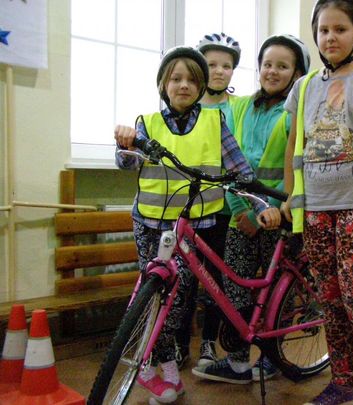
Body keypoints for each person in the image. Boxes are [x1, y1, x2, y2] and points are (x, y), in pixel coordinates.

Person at [114, 45, 281, 404]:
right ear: (163, 84)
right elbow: (128, 163)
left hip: (193, 225)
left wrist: (260, 201)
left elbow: (240, 169)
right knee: (152, 296)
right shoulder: (147, 123)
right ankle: (153, 369)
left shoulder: (213, 121)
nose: (184, 85)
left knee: (176, 301)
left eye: (192, 80)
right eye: (175, 79)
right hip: (150, 223)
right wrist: (124, 141)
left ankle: (166, 371)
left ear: (201, 86)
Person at [281, 1, 353, 404]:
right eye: (323, 30)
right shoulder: (303, 87)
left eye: (340, 29)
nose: (330, 37)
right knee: (328, 302)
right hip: (314, 211)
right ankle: (342, 383)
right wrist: (290, 197)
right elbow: (294, 146)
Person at [192, 34, 311, 385]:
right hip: (240, 214)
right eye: (267, 64)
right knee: (236, 288)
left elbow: (296, 169)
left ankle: (273, 357)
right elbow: (227, 160)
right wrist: (241, 211)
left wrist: (269, 212)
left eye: (282, 66)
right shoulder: (239, 107)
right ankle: (238, 359)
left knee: (275, 292)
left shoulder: (296, 114)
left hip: (278, 217)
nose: (272, 71)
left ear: (297, 73)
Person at [173, 32, 243, 372]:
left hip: (224, 210)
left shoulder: (239, 107)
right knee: (183, 280)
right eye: (211, 64)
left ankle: (209, 344)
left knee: (216, 281)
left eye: (226, 66)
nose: (218, 71)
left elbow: (240, 157)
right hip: (188, 208)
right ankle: (178, 342)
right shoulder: (186, 105)